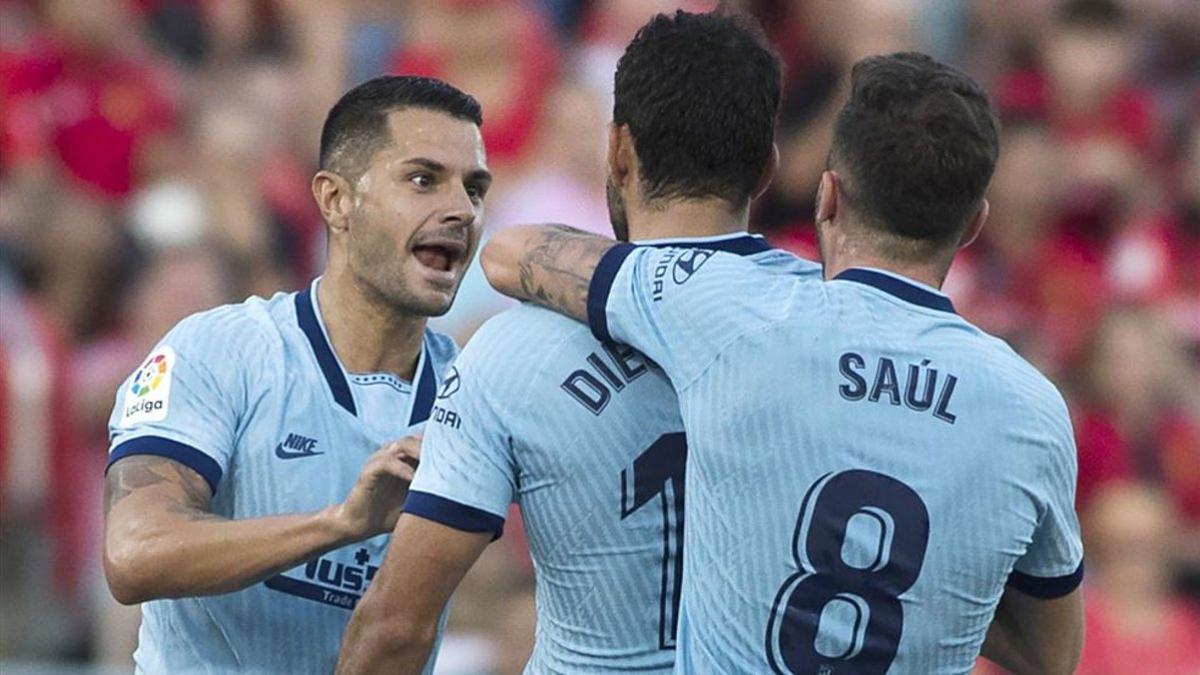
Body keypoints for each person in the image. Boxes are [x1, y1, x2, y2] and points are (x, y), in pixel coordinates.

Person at [481, 50, 1085, 674]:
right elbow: (1054, 655)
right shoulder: (1030, 409)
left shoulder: (735, 310)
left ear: (827, 196)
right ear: (973, 225)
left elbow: (511, 253)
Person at [337, 12, 819, 674]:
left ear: (618, 150)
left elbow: (395, 625)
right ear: (768, 165)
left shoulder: (509, 349)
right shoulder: (833, 325)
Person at [102, 75, 491, 673]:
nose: (460, 210)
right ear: (336, 201)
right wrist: (340, 524)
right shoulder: (219, 350)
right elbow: (134, 555)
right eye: (422, 180)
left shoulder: (477, 395)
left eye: (474, 188)